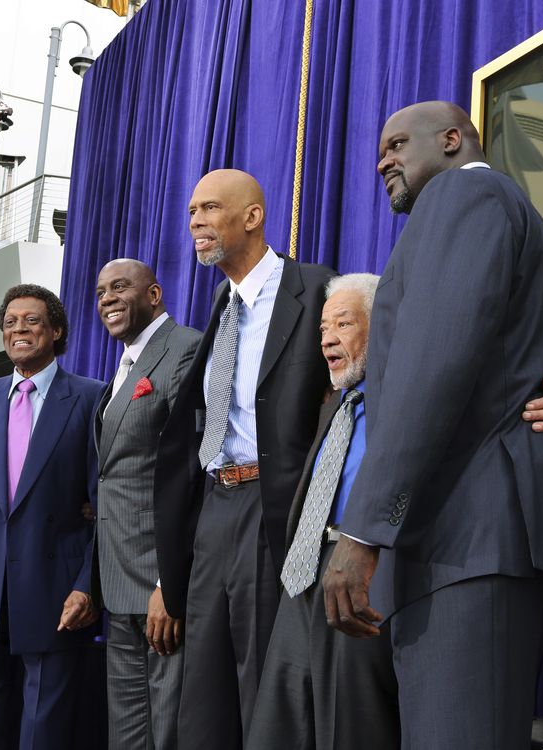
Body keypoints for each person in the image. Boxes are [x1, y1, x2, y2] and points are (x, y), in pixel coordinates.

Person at [322, 101, 543, 748]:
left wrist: (363, 529)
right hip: (457, 544)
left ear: (452, 139)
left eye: (396, 144)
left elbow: (432, 368)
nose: (381, 160)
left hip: (470, 541)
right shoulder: (474, 210)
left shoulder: (465, 195)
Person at [247, 274, 543, 750]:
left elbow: (512, 414)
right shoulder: (335, 405)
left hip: (368, 572)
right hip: (304, 574)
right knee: (277, 728)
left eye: (343, 323)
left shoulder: (418, 398)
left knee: (351, 728)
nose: (326, 336)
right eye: (323, 327)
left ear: (385, 325)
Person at [153, 169, 335, 749]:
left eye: (208, 209)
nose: (196, 223)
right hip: (214, 511)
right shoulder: (220, 307)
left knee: (267, 693)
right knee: (202, 696)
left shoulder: (315, 290)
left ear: (252, 217)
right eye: (191, 212)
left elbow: (344, 409)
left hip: (275, 510)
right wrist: (171, 570)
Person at [0, 284, 103, 750]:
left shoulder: (92, 398)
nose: (19, 328)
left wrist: (86, 585)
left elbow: (105, 507)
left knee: (43, 732)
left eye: (31, 320)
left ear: (55, 330)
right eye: (11, 321)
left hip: (57, 596)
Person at [92, 259, 201, 750]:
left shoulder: (185, 349)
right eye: (99, 292)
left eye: (119, 288)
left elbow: (191, 470)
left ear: (154, 295)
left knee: (169, 728)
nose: (107, 299)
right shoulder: (123, 363)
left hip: (161, 584)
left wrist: (168, 580)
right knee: (127, 732)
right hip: (117, 581)